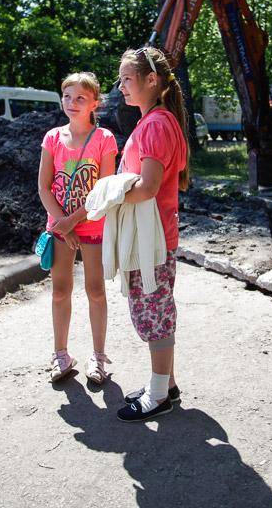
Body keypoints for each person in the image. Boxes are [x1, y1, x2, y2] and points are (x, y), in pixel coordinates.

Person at [114, 47, 188, 422]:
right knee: (153, 307)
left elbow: (147, 187)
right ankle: (166, 385)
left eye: (127, 79)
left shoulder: (157, 124)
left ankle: (158, 395)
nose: (121, 86)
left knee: (155, 312)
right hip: (153, 235)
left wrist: (109, 195)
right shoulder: (155, 121)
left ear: (151, 80)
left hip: (152, 238)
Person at [38, 72, 117, 384]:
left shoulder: (105, 139)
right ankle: (61, 354)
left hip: (92, 225)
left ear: (94, 103)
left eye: (80, 98)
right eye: (67, 96)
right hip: (59, 227)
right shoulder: (52, 138)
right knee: (60, 292)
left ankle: (98, 356)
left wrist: (72, 222)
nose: (72, 103)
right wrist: (63, 225)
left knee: (95, 291)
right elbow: (44, 188)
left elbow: (105, 192)